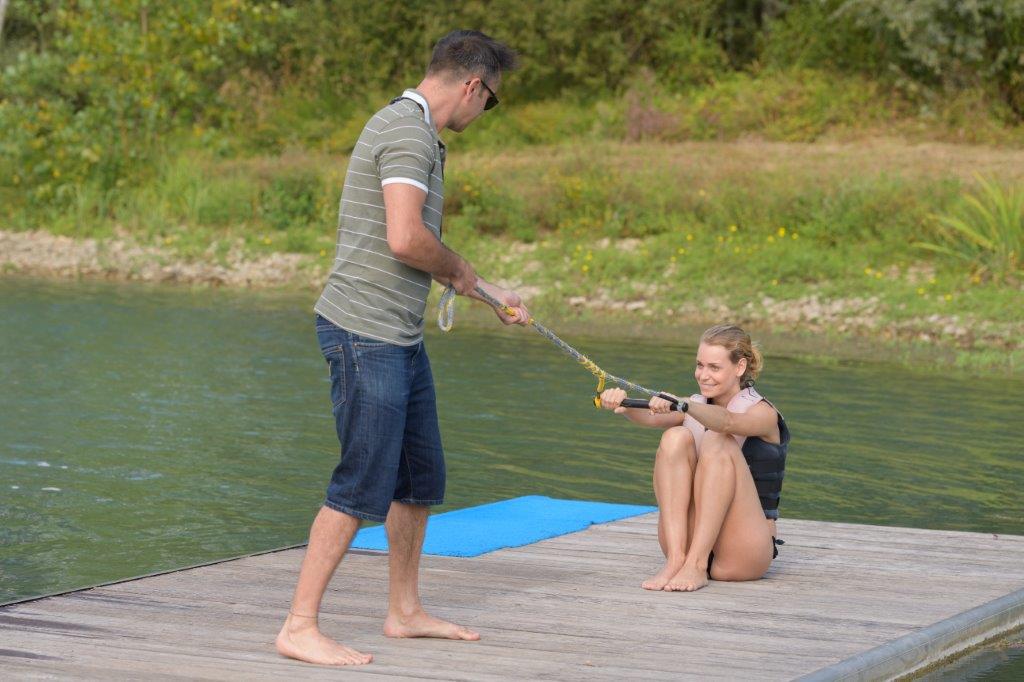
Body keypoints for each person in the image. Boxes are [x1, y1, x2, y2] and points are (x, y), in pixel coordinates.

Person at [276, 30, 529, 666]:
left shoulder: (416, 132)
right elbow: (405, 239)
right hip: (364, 334)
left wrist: (486, 292)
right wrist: (464, 270)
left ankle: (405, 610)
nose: (485, 113)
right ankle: (299, 625)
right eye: (491, 102)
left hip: (398, 336)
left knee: (418, 478)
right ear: (472, 85)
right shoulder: (408, 133)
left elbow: (417, 248)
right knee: (362, 480)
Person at [599, 324, 788, 592]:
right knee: (675, 437)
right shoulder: (693, 404)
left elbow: (727, 422)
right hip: (687, 541)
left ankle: (698, 565)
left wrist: (684, 405)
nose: (704, 375)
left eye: (714, 367)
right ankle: (677, 559)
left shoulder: (763, 414)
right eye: (700, 365)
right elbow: (650, 418)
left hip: (743, 551)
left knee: (717, 439)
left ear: (740, 367)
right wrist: (623, 404)